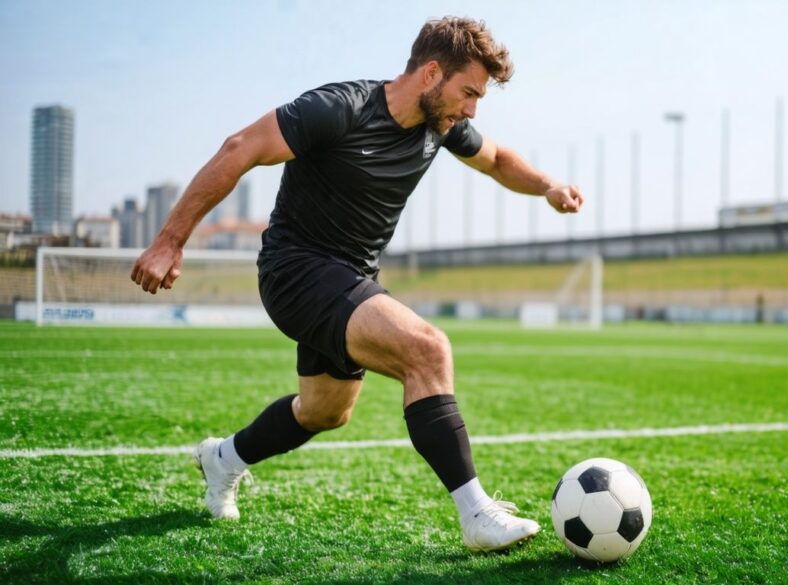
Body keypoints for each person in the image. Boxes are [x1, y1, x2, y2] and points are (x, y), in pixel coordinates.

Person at [130, 16, 584, 553]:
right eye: (468, 93)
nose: (471, 109)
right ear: (431, 73)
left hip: (351, 277)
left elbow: (499, 160)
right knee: (427, 349)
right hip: (295, 269)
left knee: (324, 411)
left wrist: (548, 185)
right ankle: (477, 514)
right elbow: (240, 148)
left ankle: (222, 459)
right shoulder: (339, 108)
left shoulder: (441, 126)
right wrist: (169, 240)